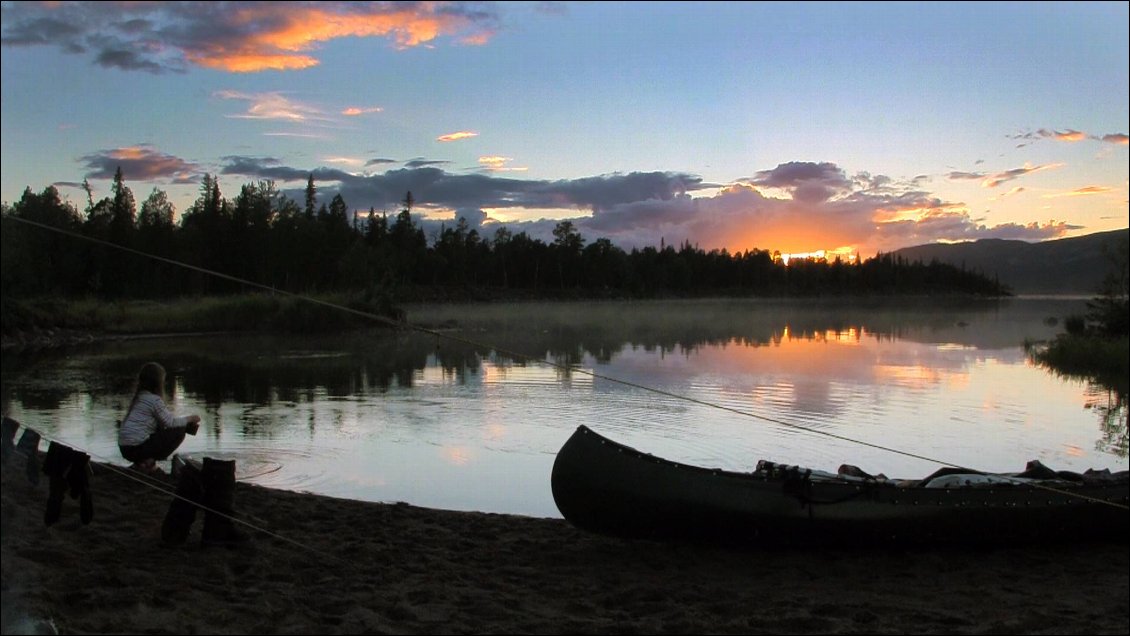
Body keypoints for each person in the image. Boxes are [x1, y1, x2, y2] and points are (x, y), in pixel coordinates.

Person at [118, 362, 200, 473]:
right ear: (158, 382)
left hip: (125, 448)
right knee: (179, 431)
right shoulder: (154, 400)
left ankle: (141, 462)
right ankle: (148, 463)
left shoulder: (139, 397)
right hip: (136, 449)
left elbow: (162, 424)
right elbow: (170, 423)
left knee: (163, 429)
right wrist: (190, 419)